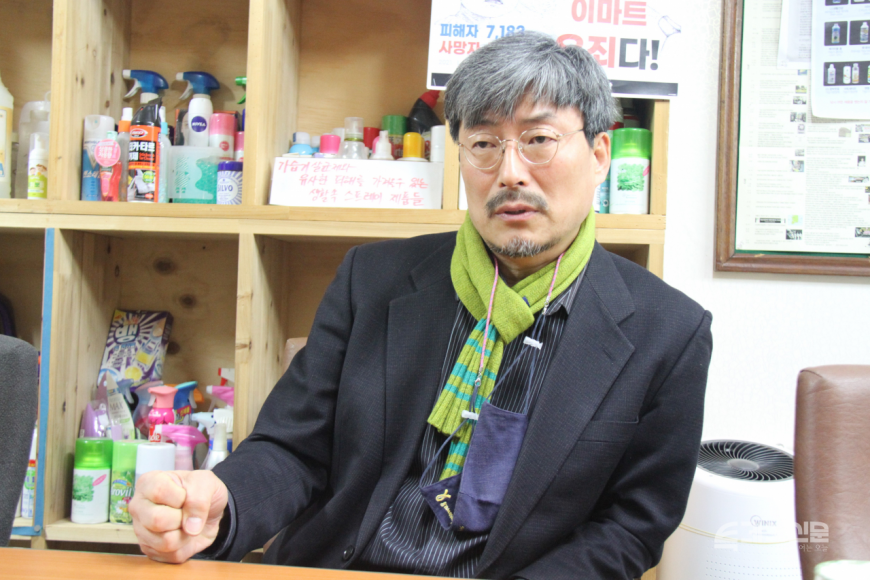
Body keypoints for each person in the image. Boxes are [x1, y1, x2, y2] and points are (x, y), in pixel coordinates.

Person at [130, 31, 713, 579]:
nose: (510, 173)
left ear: (599, 153)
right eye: (484, 144)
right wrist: (222, 500)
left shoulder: (668, 333)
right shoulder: (372, 280)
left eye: (539, 140)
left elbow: (629, 528)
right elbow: (293, 449)